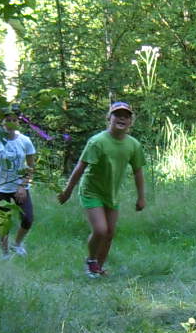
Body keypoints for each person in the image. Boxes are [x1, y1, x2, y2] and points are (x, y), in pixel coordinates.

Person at [56, 99, 146, 278]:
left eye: (126, 116)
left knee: (110, 233)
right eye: (117, 115)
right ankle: (91, 261)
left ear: (131, 121)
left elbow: (138, 171)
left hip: (111, 193)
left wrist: (141, 197)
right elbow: (80, 167)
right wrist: (67, 191)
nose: (121, 118)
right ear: (109, 118)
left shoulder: (133, 145)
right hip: (91, 190)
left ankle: (98, 268)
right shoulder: (97, 142)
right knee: (100, 230)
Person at [0, 108, 37, 258]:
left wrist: (22, 186)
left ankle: (17, 244)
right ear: (2, 123)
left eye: (14, 120)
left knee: (28, 218)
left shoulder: (25, 141)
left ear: (18, 123)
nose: (11, 123)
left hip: (20, 188)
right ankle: (4, 253)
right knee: (3, 222)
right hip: (1, 189)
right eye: (8, 120)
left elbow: (31, 166)